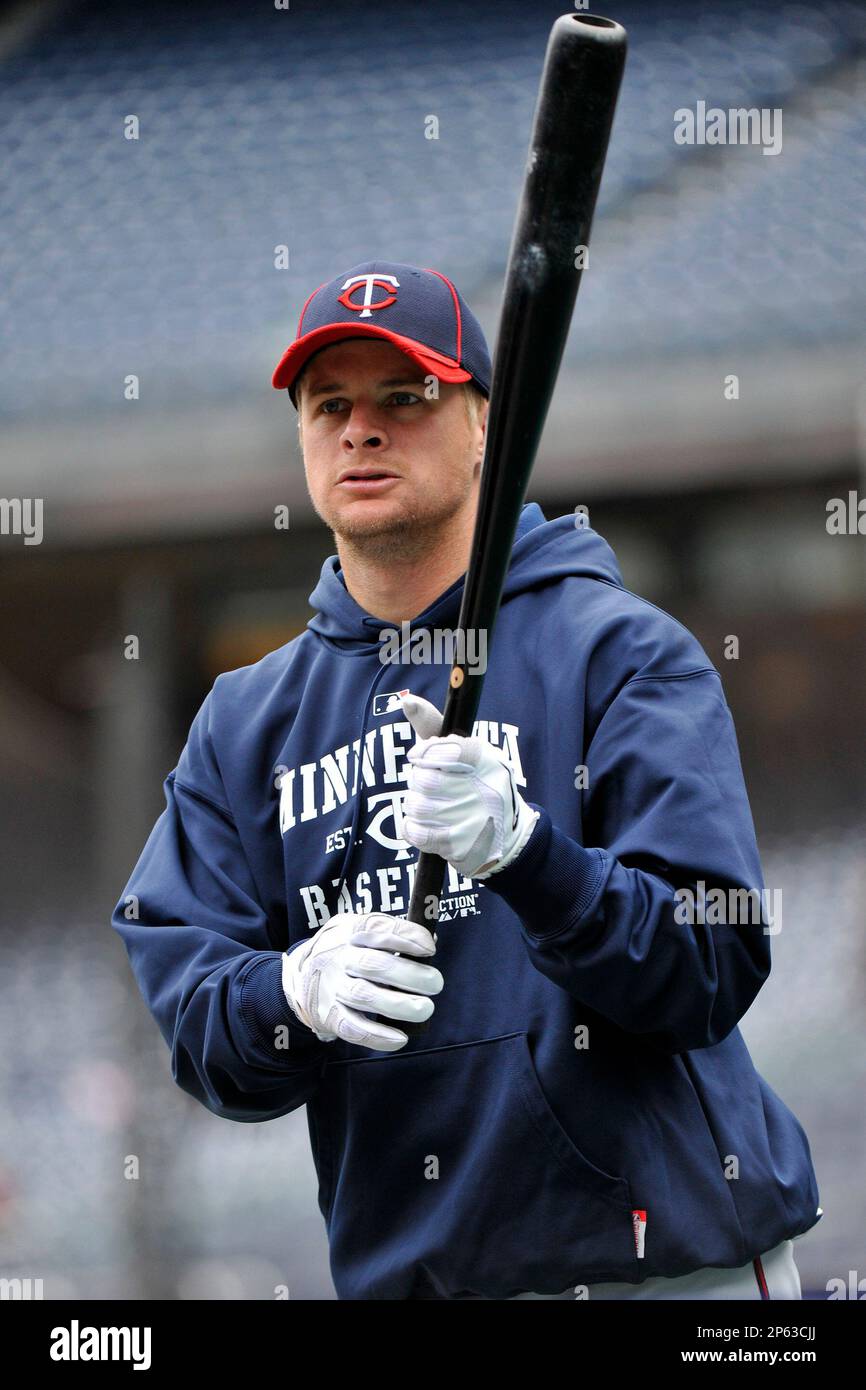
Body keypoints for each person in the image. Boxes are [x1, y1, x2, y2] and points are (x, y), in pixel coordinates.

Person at [111, 259, 822, 1300]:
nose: (361, 430)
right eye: (330, 405)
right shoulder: (244, 723)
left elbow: (707, 964)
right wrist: (289, 990)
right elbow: (204, 1028)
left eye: (405, 398)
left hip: (666, 1274)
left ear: (486, 423)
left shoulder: (616, 650)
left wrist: (530, 859)